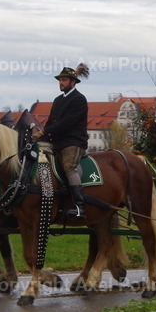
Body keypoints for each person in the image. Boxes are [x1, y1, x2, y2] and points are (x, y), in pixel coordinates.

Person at [39, 63, 89, 219]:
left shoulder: (79, 99)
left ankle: (79, 207)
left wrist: (45, 131)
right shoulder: (58, 99)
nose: (61, 83)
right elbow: (51, 122)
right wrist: (40, 137)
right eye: (60, 80)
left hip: (73, 141)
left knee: (69, 167)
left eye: (64, 80)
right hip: (56, 141)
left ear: (73, 82)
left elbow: (66, 123)